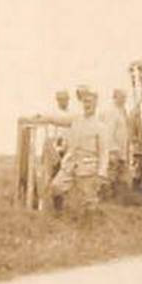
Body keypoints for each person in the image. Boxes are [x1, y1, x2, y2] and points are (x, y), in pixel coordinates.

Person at [53, 86, 109, 218]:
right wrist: (41, 117)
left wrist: (101, 173)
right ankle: (58, 214)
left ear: (95, 104)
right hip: (70, 164)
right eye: (85, 102)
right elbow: (56, 119)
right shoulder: (76, 120)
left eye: (90, 102)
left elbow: (104, 153)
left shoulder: (101, 127)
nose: (87, 105)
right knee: (56, 187)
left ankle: (90, 227)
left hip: (88, 167)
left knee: (89, 200)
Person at [103, 87, 134, 196]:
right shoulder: (111, 112)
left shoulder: (122, 111)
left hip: (122, 149)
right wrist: (112, 150)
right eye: (121, 97)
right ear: (115, 97)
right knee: (111, 174)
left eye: (125, 98)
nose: (123, 100)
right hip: (114, 149)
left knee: (121, 175)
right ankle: (106, 197)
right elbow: (108, 132)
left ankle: (118, 197)